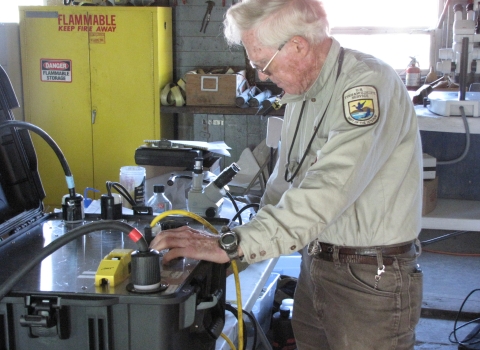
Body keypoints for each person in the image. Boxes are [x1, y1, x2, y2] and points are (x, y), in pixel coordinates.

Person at [150, 0, 424, 349]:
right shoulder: (301, 91)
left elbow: (327, 189)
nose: (262, 75)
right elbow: (285, 182)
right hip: (316, 264)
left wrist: (232, 245)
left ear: (297, 45)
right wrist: (242, 241)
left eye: (261, 62)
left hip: (370, 279)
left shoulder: (366, 87)